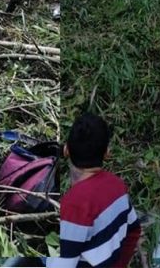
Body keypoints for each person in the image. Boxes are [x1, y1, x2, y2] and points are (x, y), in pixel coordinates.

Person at [52, 113, 141, 268]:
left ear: (66, 150)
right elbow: (134, 231)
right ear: (107, 153)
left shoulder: (73, 206)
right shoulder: (117, 185)